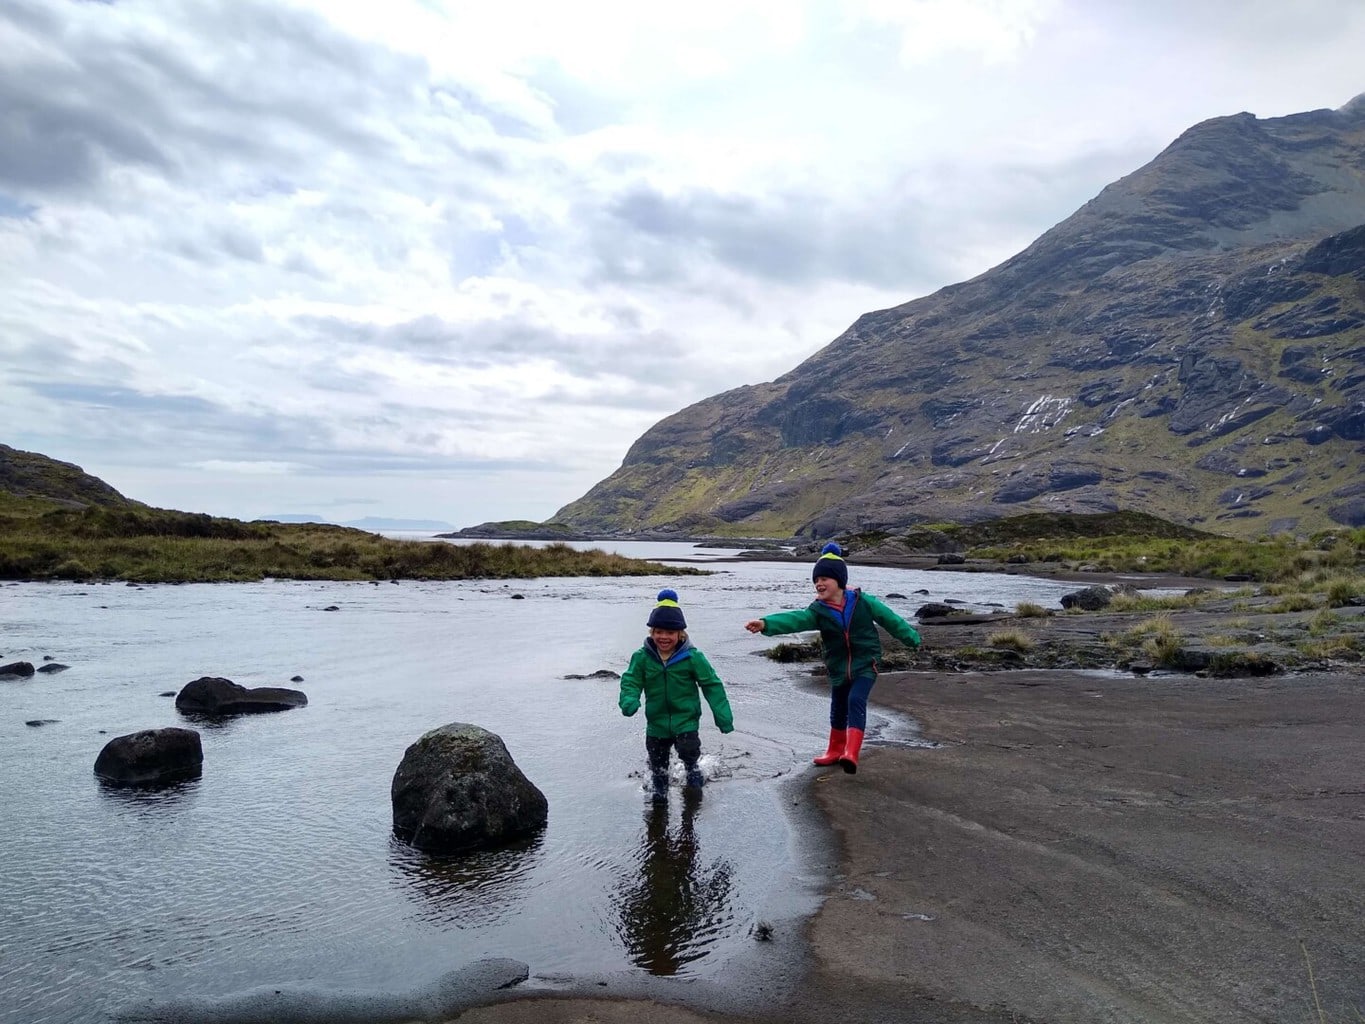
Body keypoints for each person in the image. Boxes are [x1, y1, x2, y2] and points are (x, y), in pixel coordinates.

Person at [744, 542, 921, 774]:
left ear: (839, 580)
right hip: (838, 667)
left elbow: (890, 619)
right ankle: (835, 750)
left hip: (865, 663)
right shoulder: (818, 611)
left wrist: (911, 638)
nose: (819, 583)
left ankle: (851, 752)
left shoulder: (863, 601)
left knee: (855, 700)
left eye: (825, 578)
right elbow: (795, 619)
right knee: (838, 707)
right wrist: (766, 623)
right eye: (816, 580)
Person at [620, 589, 735, 803]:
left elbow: (712, 685)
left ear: (680, 634)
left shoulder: (692, 657)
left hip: (686, 721)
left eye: (670, 633)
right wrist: (629, 699)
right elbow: (631, 680)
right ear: (652, 632)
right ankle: (659, 795)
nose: (664, 637)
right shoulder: (642, 657)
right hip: (656, 723)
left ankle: (693, 776)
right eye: (659, 632)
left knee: (689, 753)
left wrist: (723, 716)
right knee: (658, 766)